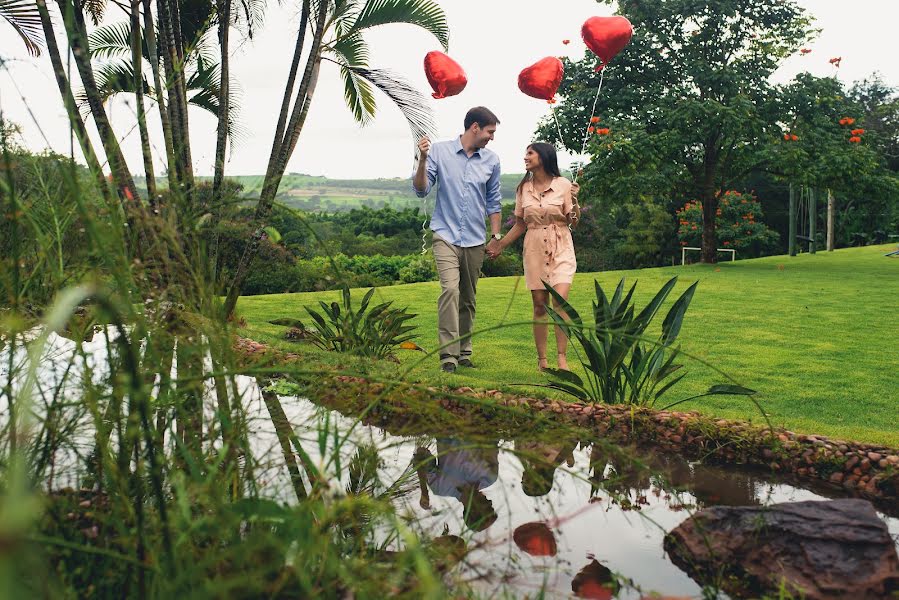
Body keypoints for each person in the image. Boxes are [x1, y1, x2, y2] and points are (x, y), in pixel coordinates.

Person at [413, 107, 503, 373]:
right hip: (445, 234)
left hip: (475, 239)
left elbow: (493, 201)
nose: (492, 137)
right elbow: (421, 190)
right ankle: (448, 356)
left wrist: (496, 236)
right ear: (475, 127)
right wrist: (422, 159)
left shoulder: (492, 161)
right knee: (450, 290)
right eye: (490, 132)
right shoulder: (439, 151)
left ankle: (464, 352)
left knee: (468, 298)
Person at [489, 142, 580, 371]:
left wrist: (576, 202)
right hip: (534, 247)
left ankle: (561, 358)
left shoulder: (563, 184)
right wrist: (500, 245)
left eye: (530, 153)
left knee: (560, 301)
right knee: (540, 305)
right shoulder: (523, 189)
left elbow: (574, 221)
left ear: (544, 156)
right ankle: (542, 361)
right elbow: (520, 225)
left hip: (561, 245)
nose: (525, 157)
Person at [413, 438, 499, 533]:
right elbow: (492, 439)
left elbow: (421, 455)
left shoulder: (440, 488)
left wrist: (424, 491)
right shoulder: (490, 478)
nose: (490, 502)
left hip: (445, 427)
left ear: (473, 513)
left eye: (488, 508)